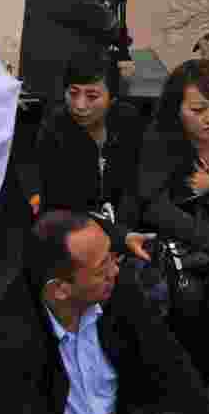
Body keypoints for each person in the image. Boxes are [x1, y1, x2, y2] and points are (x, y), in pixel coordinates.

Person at [0, 210, 209, 414]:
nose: (114, 271)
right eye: (101, 268)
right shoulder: (7, 340)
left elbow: (174, 372)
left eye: (112, 257)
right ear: (60, 290)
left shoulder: (120, 293)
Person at [118, 59, 209, 383]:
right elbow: (155, 208)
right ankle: (184, 374)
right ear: (177, 109)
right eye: (198, 110)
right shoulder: (160, 141)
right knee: (185, 296)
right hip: (180, 238)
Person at [35, 49, 150, 261]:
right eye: (73, 92)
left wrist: (125, 228)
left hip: (125, 228)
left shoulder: (128, 121)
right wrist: (118, 237)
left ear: (112, 97)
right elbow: (64, 201)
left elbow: (134, 186)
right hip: (72, 231)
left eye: (92, 96)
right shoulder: (54, 129)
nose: (79, 105)